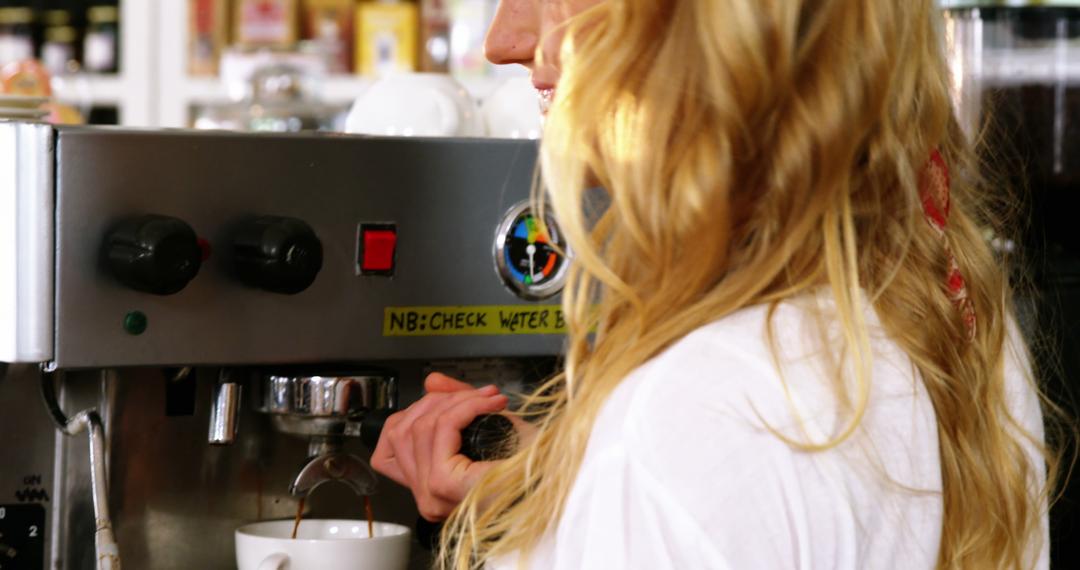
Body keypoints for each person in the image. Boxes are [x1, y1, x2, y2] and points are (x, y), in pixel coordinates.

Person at [372, 1, 1058, 568]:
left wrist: (624, 487)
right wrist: (559, 486)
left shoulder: (688, 419)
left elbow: (712, 464)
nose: (504, 40)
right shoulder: (960, 323)